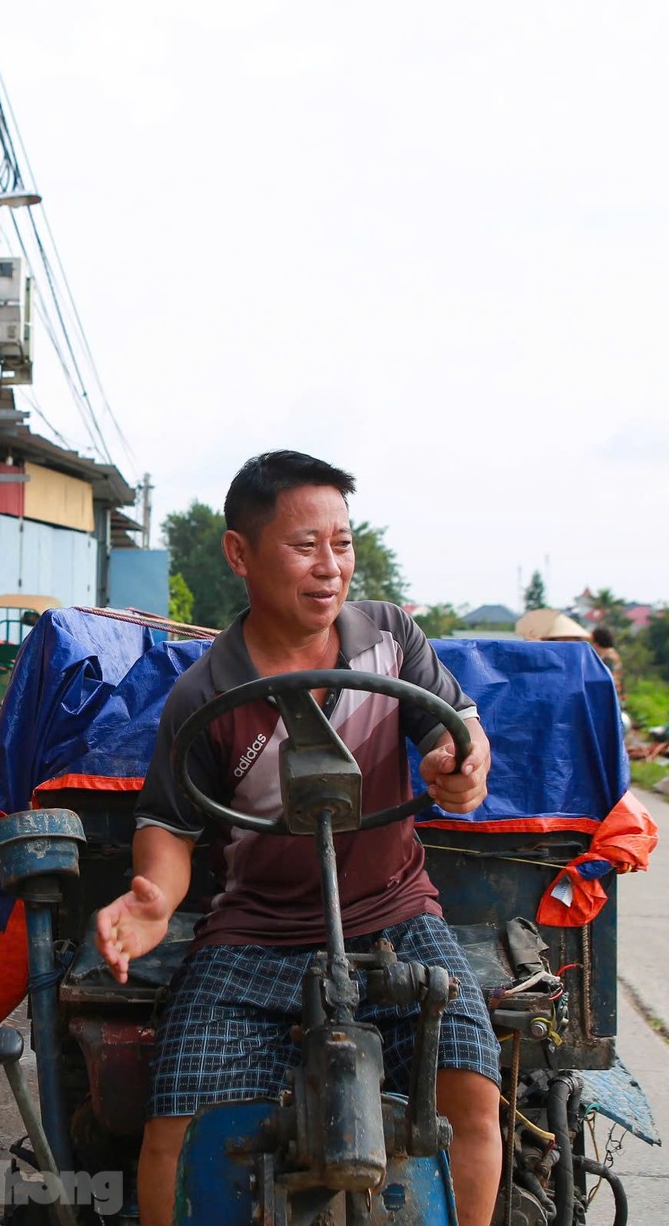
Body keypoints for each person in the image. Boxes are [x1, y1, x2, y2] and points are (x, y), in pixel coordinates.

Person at [95, 451, 502, 1226]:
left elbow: (460, 730)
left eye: (342, 544)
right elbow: (169, 829)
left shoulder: (390, 638)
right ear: (239, 553)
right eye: (304, 545)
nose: (330, 568)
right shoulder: (205, 694)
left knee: (471, 1093)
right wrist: (151, 905)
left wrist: (463, 765)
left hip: (397, 915)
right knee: (172, 1128)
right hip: (252, 937)